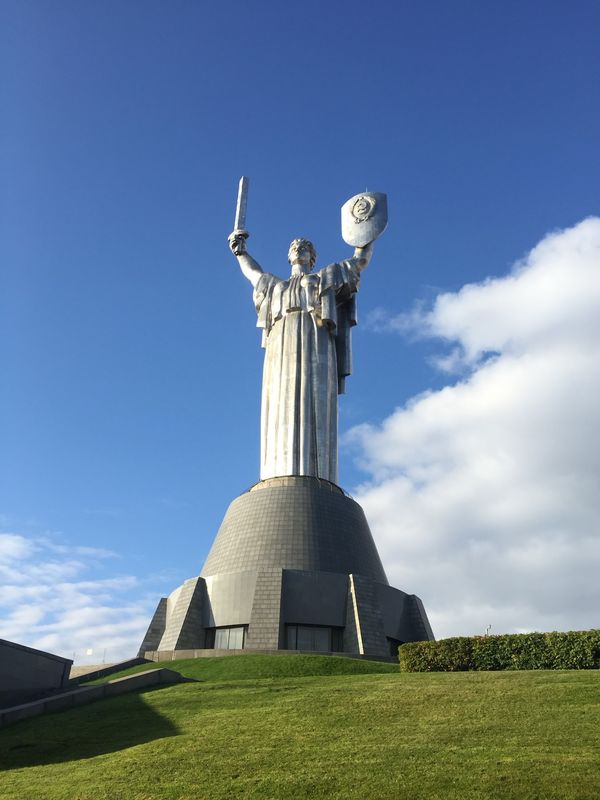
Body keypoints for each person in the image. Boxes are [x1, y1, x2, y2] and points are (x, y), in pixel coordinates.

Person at [228, 231, 373, 484]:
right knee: (279, 400)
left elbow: (358, 263)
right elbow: (254, 274)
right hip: (280, 342)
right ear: (288, 256)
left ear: (312, 257)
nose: (298, 249)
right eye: (295, 246)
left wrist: (365, 232)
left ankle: (316, 473)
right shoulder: (275, 285)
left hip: (315, 336)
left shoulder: (323, 278)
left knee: (313, 396)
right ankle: (277, 470)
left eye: (304, 247)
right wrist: (241, 253)